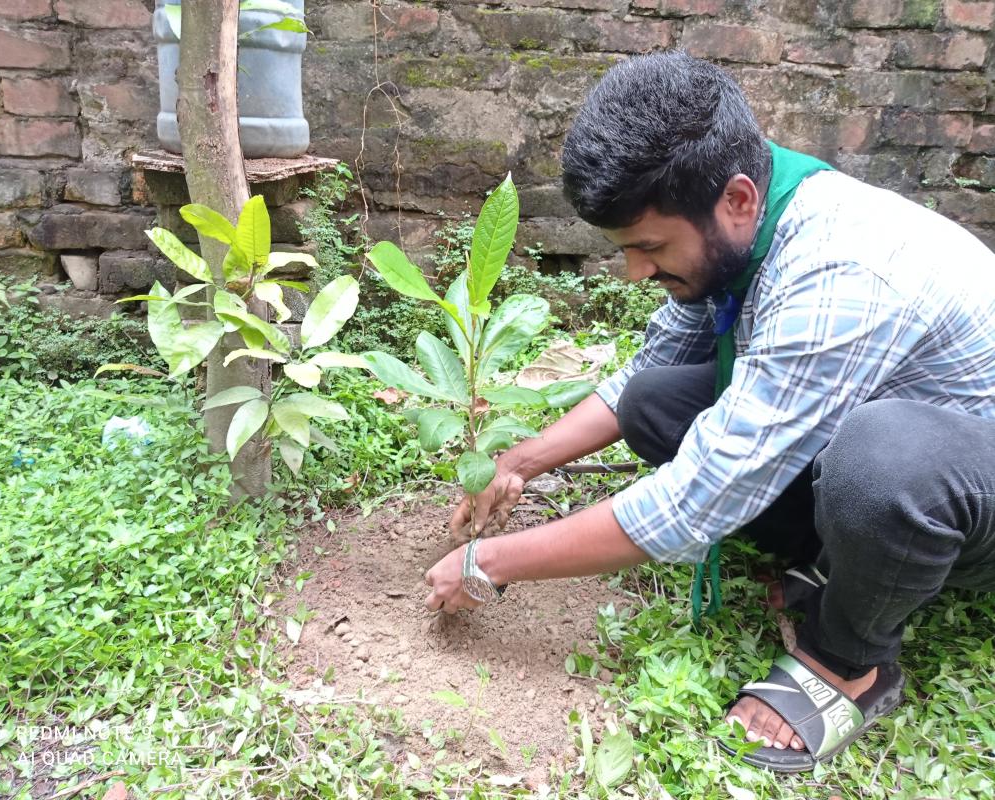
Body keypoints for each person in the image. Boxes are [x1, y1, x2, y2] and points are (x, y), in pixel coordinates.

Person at [421, 50, 995, 772]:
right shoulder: (751, 217)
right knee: (654, 405)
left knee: (883, 462)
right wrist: (521, 461)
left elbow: (696, 501)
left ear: (738, 199)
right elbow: (651, 370)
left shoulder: (839, 274)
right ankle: (834, 554)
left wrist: (490, 563)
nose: (635, 271)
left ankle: (852, 661)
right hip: (889, 430)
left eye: (650, 247)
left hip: (969, 488)